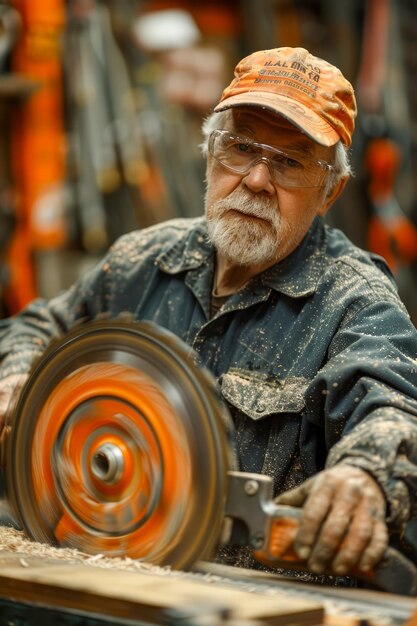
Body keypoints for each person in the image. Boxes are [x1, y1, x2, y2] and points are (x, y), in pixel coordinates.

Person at [1, 46, 417, 586]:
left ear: (330, 191)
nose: (257, 180)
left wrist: (366, 475)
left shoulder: (354, 301)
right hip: (110, 581)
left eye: (290, 162)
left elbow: (394, 406)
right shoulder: (141, 261)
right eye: (241, 148)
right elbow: (41, 325)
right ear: (210, 153)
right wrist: (15, 375)